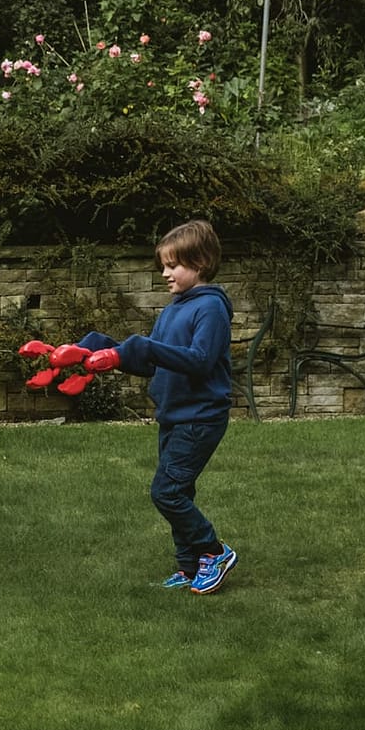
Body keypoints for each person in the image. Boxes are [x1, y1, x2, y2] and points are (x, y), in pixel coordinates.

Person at [76, 218, 239, 594]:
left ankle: (215, 552)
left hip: (201, 417)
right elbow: (151, 361)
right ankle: (188, 567)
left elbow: (199, 359)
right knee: (181, 491)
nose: (164, 274)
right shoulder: (173, 310)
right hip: (174, 415)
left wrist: (145, 346)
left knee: (166, 492)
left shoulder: (210, 308)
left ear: (199, 263)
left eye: (172, 265)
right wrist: (106, 347)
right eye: (163, 265)